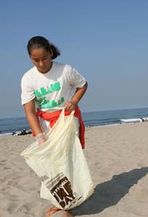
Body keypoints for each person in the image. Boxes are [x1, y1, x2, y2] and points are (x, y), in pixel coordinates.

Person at [21, 36, 88, 217]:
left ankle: (65, 206)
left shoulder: (66, 70)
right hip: (46, 125)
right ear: (30, 58)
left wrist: (73, 101)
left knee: (64, 162)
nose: (41, 63)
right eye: (36, 60)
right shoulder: (28, 79)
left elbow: (83, 85)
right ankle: (60, 202)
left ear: (50, 53)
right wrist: (38, 135)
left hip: (66, 121)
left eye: (44, 58)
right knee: (51, 164)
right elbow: (30, 111)